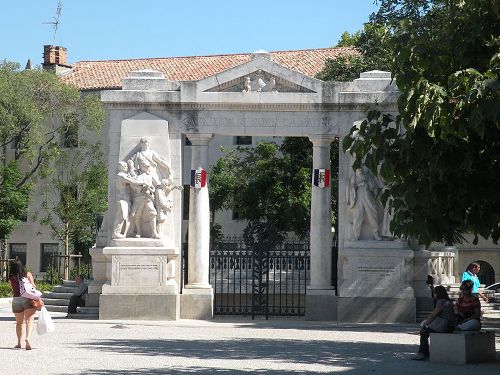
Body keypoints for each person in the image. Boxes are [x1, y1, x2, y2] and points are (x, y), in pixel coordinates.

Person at [412, 285, 456, 360]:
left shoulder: (441, 302)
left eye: (434, 293)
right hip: (448, 324)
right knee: (425, 331)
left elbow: (433, 315)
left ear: (437, 294)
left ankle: (422, 353)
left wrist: (425, 324)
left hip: (445, 324)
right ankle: (425, 353)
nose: (434, 295)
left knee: (423, 331)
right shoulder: (447, 301)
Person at [347, 165, 381, 241]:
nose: (360, 170)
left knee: (372, 214)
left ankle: (376, 233)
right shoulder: (354, 177)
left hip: (367, 196)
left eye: (361, 168)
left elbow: (373, 187)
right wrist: (357, 185)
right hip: (358, 197)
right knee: (357, 216)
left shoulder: (368, 176)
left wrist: (367, 184)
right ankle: (356, 235)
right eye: (358, 169)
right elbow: (351, 187)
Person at [8, 259, 37, 350]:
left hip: (16, 300)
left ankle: (19, 343)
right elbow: (33, 287)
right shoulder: (27, 274)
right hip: (27, 299)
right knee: (29, 321)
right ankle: (27, 338)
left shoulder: (11, 277)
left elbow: (12, 288)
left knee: (19, 323)